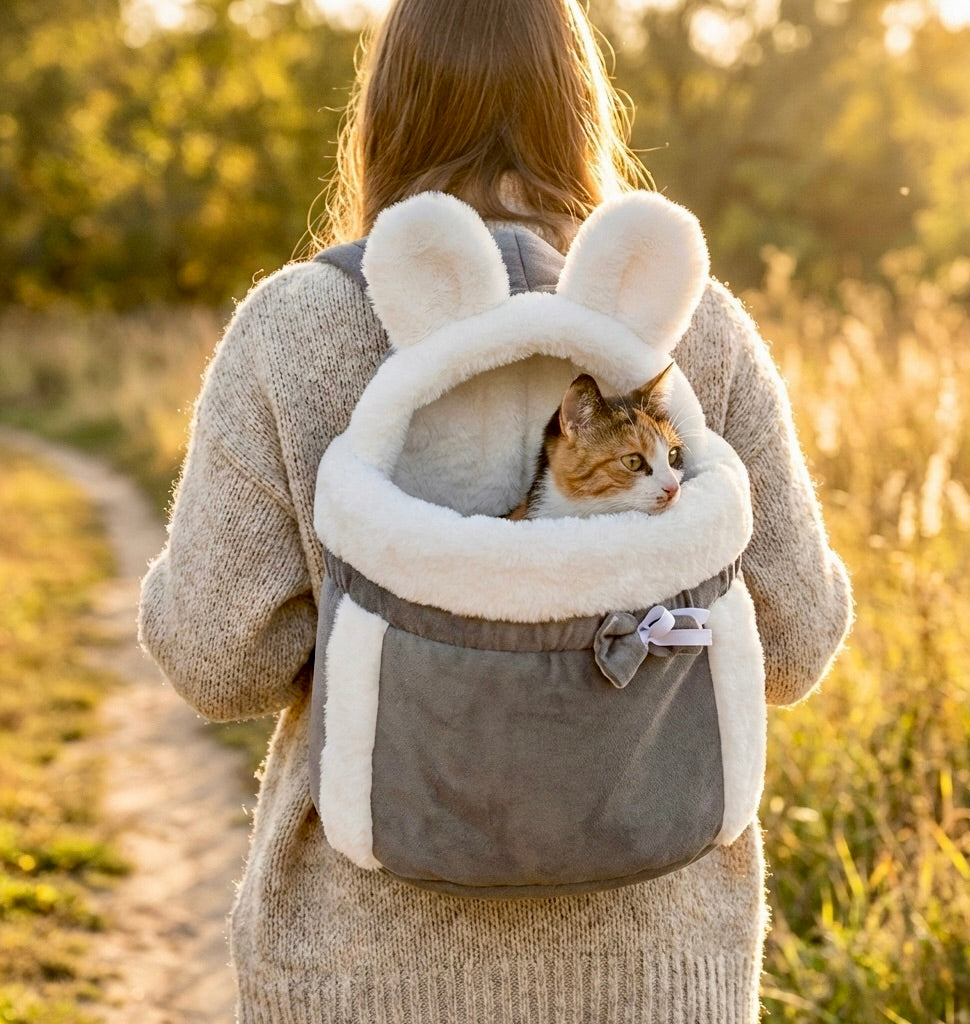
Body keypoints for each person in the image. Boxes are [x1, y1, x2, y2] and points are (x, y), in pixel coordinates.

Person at [137, 0, 853, 1020]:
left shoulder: (294, 326)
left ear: (385, 112)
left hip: (363, 968)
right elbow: (796, 643)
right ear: (579, 103)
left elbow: (217, 660)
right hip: (653, 969)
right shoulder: (689, 326)